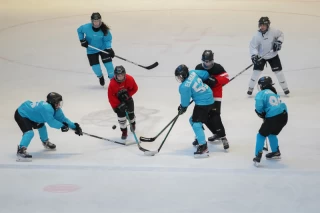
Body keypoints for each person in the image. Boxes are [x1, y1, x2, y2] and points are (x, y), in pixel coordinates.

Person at [14, 92, 83, 162]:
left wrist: (75, 127)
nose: (59, 105)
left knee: (41, 126)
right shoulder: (47, 108)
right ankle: (21, 150)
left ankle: (45, 142)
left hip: (33, 115)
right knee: (29, 133)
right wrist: (62, 126)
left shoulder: (56, 109)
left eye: (60, 102)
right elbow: (51, 122)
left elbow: (64, 119)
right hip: (22, 114)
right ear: (52, 102)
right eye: (57, 103)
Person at [175, 64, 214, 158]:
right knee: (192, 120)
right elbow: (205, 74)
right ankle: (199, 137)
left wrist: (182, 107)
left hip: (203, 103)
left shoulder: (184, 87)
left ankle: (203, 146)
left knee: (196, 123)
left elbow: (185, 102)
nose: (179, 79)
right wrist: (208, 81)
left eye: (180, 76)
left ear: (184, 75)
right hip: (209, 96)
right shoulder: (192, 72)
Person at [193, 50, 230, 151]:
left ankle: (223, 137)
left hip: (215, 96)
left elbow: (226, 77)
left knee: (215, 115)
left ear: (212, 60)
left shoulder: (218, 67)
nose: (207, 63)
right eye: (205, 61)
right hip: (202, 97)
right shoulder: (198, 68)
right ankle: (200, 137)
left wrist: (216, 80)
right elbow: (194, 79)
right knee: (202, 117)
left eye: (209, 61)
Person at [247, 17, 290, 96]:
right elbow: (253, 47)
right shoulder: (256, 36)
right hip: (261, 56)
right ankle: (250, 88)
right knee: (256, 72)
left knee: (279, 72)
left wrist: (279, 42)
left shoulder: (274, 31)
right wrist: (254, 56)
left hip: (273, 55)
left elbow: (281, 35)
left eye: (264, 25)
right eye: (260, 25)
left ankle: (285, 88)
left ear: (268, 25)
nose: (262, 27)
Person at [253, 76, 288, 166]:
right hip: (283, 116)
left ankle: (258, 155)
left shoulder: (262, 93)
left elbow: (259, 106)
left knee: (260, 135)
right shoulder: (274, 93)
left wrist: (261, 112)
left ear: (263, 85)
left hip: (273, 117)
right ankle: (275, 152)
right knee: (272, 134)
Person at [77, 12, 115, 86]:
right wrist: (82, 40)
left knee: (109, 66)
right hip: (91, 50)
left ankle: (113, 81)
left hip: (103, 48)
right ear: (92, 21)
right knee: (95, 67)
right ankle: (100, 76)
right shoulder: (86, 27)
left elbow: (107, 40)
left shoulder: (104, 30)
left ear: (100, 21)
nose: (97, 23)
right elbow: (79, 30)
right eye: (95, 21)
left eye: (98, 21)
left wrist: (109, 49)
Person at [108, 66, 138, 140]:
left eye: (121, 75)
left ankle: (133, 124)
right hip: (118, 103)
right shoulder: (112, 84)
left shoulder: (130, 79)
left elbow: (135, 88)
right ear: (115, 75)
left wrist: (128, 95)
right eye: (118, 75)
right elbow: (111, 97)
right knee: (121, 119)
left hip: (128, 100)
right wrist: (118, 105)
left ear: (124, 74)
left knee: (131, 114)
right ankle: (124, 131)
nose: (120, 77)